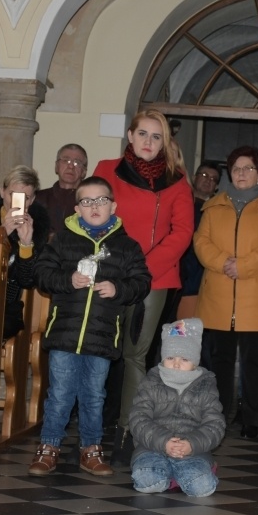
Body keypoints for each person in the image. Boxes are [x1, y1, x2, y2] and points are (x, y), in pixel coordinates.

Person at [28, 177, 151, 477]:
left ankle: (90, 449)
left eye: (101, 201)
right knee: (59, 394)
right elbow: (42, 273)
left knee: (94, 394)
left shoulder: (126, 246)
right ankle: (49, 447)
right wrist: (67, 280)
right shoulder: (63, 240)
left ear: (113, 205)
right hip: (64, 335)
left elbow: (142, 282)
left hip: (102, 335)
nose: (94, 207)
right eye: (87, 202)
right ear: (77, 209)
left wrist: (118, 289)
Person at [93, 109, 194, 465]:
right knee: (100, 349)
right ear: (131, 137)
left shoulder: (177, 180)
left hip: (154, 278)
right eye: (143, 134)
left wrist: (141, 271)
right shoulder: (107, 170)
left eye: (156, 137)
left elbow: (181, 233)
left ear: (164, 142)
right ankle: (92, 430)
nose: (149, 142)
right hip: (109, 274)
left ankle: (127, 430)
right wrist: (117, 267)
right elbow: (92, 217)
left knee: (135, 354)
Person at [195, 145, 258, 439]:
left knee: (254, 361)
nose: (242, 174)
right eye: (236, 169)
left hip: (257, 295)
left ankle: (251, 419)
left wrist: (243, 267)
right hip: (219, 293)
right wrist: (224, 263)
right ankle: (219, 416)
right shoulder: (213, 206)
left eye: (248, 168)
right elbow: (201, 242)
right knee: (219, 360)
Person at [129, 318, 225, 496]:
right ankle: (172, 475)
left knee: (202, 487)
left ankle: (186, 473)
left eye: (184, 359)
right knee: (147, 482)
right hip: (152, 447)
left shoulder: (206, 386)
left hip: (192, 452)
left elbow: (215, 425)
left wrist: (191, 444)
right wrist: (164, 441)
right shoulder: (151, 381)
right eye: (170, 357)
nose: (176, 364)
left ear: (195, 362)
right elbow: (138, 419)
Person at [0, 166, 51, 340]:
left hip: (7, 304)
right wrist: (1, 234)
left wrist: (26, 244)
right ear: (2, 192)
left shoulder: (37, 225)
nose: (17, 203)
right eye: (13, 195)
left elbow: (27, 280)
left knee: (2, 324)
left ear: (32, 200)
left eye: (25, 198)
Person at [177, 161, 221, 321]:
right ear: (194, 177)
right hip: (176, 277)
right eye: (204, 175)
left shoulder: (219, 211)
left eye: (213, 178)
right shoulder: (180, 202)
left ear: (216, 186)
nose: (208, 180)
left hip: (201, 283)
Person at [35, 144, 88, 235]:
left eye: (77, 162)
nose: (71, 166)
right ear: (56, 166)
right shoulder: (38, 198)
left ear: (84, 172)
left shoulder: (89, 202)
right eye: (66, 160)